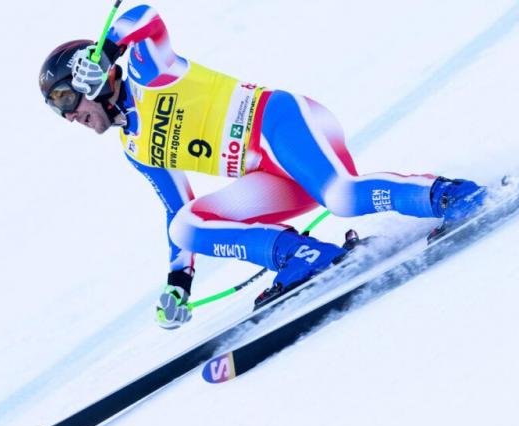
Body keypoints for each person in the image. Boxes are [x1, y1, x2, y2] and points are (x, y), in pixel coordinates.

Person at [38, 4, 486, 330]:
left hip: (278, 123)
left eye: (66, 98)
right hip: (267, 178)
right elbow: (178, 209)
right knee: (184, 227)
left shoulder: (145, 70)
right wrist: (180, 281)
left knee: (342, 196)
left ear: (85, 75)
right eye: (58, 110)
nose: (69, 115)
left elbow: (144, 16)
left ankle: (447, 194)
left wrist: (110, 48)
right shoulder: (135, 146)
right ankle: (302, 257)